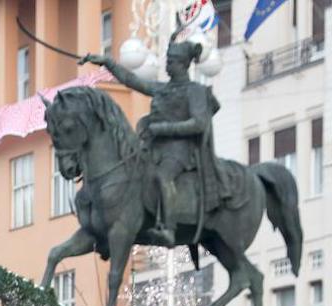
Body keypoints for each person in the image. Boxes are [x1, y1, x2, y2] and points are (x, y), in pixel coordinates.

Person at [83, 39, 231, 246]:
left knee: (163, 177)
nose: (167, 65)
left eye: (171, 62)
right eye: (167, 61)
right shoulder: (162, 89)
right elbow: (132, 80)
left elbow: (199, 123)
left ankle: (169, 228)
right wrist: (108, 62)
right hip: (155, 148)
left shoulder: (194, 91)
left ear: (182, 64)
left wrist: (164, 128)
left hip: (181, 150)